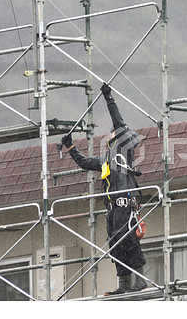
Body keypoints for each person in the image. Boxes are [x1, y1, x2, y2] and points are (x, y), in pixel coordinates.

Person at [61, 83, 147, 295]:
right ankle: (124, 285)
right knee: (115, 241)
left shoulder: (125, 151)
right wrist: (71, 147)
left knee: (129, 238)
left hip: (126, 200)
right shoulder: (106, 161)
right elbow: (84, 162)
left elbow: (118, 122)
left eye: (111, 135)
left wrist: (109, 97)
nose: (108, 138)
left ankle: (140, 280)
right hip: (112, 207)